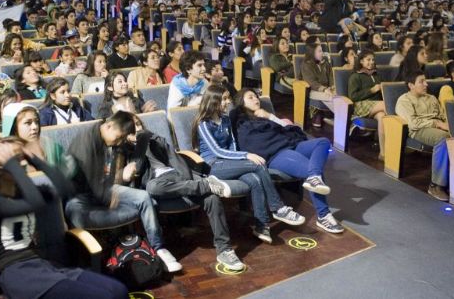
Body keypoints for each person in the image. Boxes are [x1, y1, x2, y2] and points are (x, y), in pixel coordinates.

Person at [0, 137, 127, 299]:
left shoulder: (26, 192)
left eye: (21, 158)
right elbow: (36, 204)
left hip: (44, 265)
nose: (22, 163)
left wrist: (36, 160)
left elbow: (65, 187)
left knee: (119, 291)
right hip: (18, 273)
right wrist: (12, 164)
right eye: (15, 159)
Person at [65, 111, 183, 273]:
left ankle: (158, 248)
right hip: (81, 196)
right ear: (109, 126)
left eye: (122, 138)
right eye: (119, 137)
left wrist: (121, 172)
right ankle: (83, 265)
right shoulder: (85, 142)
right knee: (75, 212)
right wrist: (108, 195)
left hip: (105, 188)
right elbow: (89, 181)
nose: (120, 141)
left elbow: (111, 175)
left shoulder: (112, 140)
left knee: (144, 197)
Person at [130, 115, 245, 272]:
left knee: (212, 198)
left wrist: (153, 139)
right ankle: (206, 185)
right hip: (161, 184)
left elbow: (175, 158)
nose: (137, 129)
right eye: (133, 127)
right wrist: (139, 143)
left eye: (138, 124)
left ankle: (224, 249)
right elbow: (136, 170)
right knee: (152, 187)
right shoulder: (126, 147)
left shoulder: (155, 139)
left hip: (178, 177)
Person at [193, 85, 305, 244]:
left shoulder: (225, 119)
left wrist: (239, 159)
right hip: (213, 165)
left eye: (228, 98)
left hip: (229, 162)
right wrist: (245, 155)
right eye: (224, 99)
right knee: (258, 165)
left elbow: (232, 145)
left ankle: (261, 225)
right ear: (214, 101)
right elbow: (217, 151)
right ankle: (278, 207)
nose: (228, 102)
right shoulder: (203, 124)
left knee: (255, 179)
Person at [232, 89, 344, 234]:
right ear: (241, 103)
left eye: (256, 96)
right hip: (276, 154)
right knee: (312, 170)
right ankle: (324, 215)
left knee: (323, 142)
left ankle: (315, 177)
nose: (256, 99)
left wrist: (270, 116)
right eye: (250, 97)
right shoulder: (241, 122)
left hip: (291, 145)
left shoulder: (264, 115)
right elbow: (254, 143)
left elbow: (288, 129)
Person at [395, 71, 451, 201]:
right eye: (421, 82)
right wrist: (436, 123)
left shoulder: (431, 98)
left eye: (425, 81)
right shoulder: (404, 100)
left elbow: (442, 116)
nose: (426, 84)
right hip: (419, 129)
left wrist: (449, 124)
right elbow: (413, 124)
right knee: (444, 138)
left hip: (437, 126)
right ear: (411, 85)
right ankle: (436, 185)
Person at [2, 102, 77, 177]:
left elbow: (68, 169)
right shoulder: (4, 155)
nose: (35, 127)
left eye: (36, 121)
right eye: (28, 123)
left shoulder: (48, 144)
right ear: (14, 128)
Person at [348, 51, 387, 157]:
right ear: (361, 61)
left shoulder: (377, 75)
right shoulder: (355, 76)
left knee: (382, 116)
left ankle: (383, 153)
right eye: (368, 60)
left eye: (373, 60)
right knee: (387, 105)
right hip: (360, 105)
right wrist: (372, 90)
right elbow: (353, 96)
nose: (371, 62)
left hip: (375, 105)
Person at [301, 43, 335, 127]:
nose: (322, 53)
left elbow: (331, 77)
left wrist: (332, 86)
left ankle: (340, 119)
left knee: (337, 95)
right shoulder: (306, 65)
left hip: (326, 88)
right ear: (312, 53)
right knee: (331, 97)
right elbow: (311, 82)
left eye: (322, 51)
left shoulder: (325, 63)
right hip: (313, 90)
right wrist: (324, 89)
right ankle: (343, 119)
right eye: (319, 51)